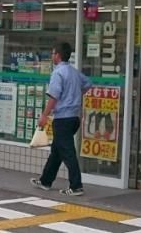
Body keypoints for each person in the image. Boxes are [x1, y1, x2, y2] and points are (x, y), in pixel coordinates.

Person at [30, 42, 92, 196]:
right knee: (57, 151)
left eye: (53, 53)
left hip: (63, 118)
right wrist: (76, 95)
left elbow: (54, 97)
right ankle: (45, 181)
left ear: (57, 55)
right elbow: (88, 83)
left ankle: (76, 186)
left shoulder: (58, 73)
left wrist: (44, 115)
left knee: (68, 152)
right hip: (74, 118)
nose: (52, 56)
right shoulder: (74, 72)